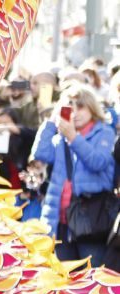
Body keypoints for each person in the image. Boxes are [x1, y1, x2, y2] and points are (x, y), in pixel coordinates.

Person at [30, 84, 117, 267]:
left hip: (91, 222)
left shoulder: (105, 133)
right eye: (71, 106)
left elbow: (98, 162)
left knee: (91, 279)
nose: (75, 112)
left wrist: (74, 138)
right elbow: (41, 153)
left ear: (91, 108)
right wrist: (52, 122)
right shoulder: (61, 136)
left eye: (81, 106)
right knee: (65, 281)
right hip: (60, 222)